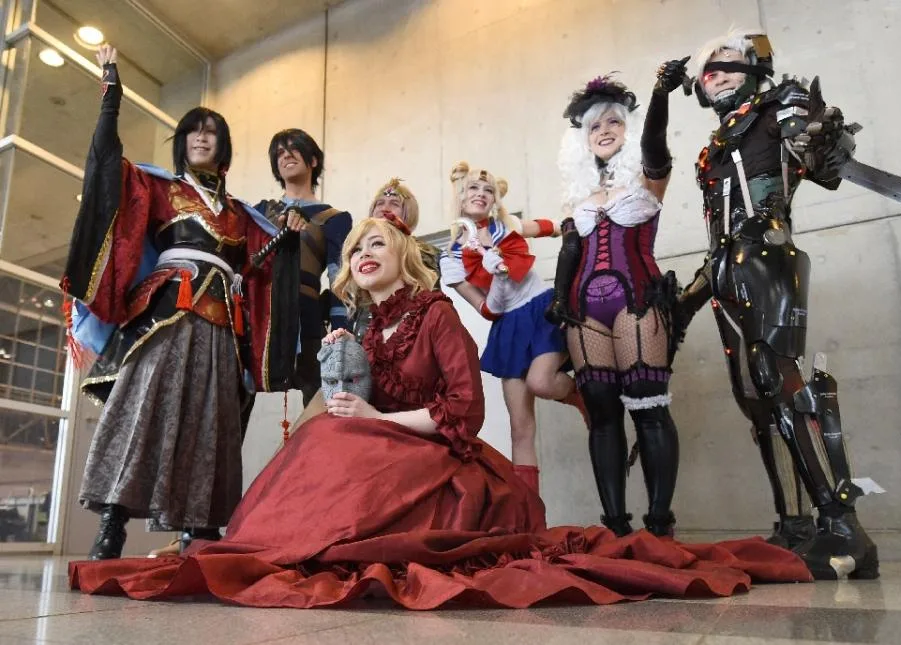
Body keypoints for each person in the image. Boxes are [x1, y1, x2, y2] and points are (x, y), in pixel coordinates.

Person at [68, 216, 812, 609]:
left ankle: (294, 543)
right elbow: (356, 406)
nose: (364, 251)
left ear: (405, 257)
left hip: (447, 464)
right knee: (326, 433)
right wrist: (344, 373)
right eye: (356, 245)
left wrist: (374, 419)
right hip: (385, 452)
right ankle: (273, 544)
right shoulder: (361, 326)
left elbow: (461, 409)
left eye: (378, 243)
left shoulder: (436, 315)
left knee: (338, 438)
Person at [61, 45, 302, 560]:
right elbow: (106, 170)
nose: (200, 137)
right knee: (140, 407)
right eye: (193, 130)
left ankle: (202, 527)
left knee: (211, 420)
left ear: (224, 148)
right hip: (165, 312)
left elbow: (255, 269)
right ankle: (113, 523)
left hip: (221, 325)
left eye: (210, 132)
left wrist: (286, 243)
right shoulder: (157, 188)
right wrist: (110, 97)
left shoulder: (241, 214)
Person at [676, 31, 877, 579]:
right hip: (725, 272)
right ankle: (796, 525)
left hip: (768, 257)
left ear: (755, 65)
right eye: (704, 69)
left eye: (724, 62)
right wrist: (687, 297)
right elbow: (721, 231)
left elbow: (822, 162)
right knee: (756, 401)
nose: (712, 72)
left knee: (780, 378)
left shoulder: (778, 107)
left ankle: (843, 525)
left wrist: (820, 135)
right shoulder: (717, 142)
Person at [547, 63, 687, 538]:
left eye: (614, 122)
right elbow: (570, 249)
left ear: (627, 129)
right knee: (602, 416)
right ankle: (616, 527)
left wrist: (659, 96)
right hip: (584, 309)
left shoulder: (647, 181)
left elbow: (656, 147)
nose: (604, 131)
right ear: (582, 139)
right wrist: (557, 296)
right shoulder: (577, 197)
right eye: (595, 126)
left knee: (648, 408)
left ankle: (660, 523)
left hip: (639, 301)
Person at [439, 162, 585, 496]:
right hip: (507, 326)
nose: (481, 194)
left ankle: (580, 397)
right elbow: (488, 310)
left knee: (541, 381)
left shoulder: (508, 226)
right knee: (520, 427)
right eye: (473, 189)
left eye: (487, 190)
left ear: (495, 200)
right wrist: (500, 278)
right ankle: (530, 516)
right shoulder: (451, 258)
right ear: (460, 199)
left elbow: (554, 228)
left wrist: (575, 222)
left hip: (541, 310)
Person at [252, 128, 353, 404]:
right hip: (262, 316)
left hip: (307, 316)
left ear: (313, 160)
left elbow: (338, 279)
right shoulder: (259, 210)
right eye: (279, 153)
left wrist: (341, 331)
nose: (285, 155)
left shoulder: (336, 218)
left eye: (293, 148)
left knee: (322, 403)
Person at [353, 178, 439, 340]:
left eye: (394, 203)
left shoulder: (423, 251)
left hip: (409, 333)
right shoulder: (359, 251)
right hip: (365, 334)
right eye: (379, 203)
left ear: (408, 213)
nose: (385, 208)